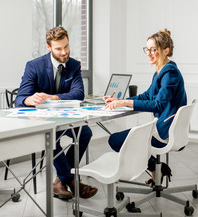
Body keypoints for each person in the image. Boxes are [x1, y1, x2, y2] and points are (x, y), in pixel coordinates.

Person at [15, 26, 98, 200]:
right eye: (58, 48)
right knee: (51, 136)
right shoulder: (34, 66)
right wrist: (29, 100)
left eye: (66, 46)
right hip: (41, 121)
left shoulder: (74, 65)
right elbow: (20, 98)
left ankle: (60, 181)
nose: (64, 52)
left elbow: (78, 94)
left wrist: (52, 97)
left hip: (63, 118)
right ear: (49, 47)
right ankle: (72, 181)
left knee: (85, 132)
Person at [104, 28, 187, 186]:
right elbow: (147, 96)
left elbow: (158, 104)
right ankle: (158, 168)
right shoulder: (160, 71)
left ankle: (157, 167)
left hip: (164, 132)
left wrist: (125, 103)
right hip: (164, 127)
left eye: (153, 50)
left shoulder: (170, 74)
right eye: (147, 49)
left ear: (166, 50)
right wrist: (120, 100)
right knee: (121, 139)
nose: (149, 53)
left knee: (115, 140)